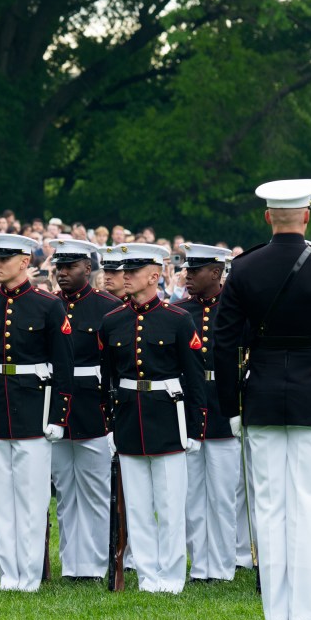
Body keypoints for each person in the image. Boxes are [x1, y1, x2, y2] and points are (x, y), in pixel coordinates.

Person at [213, 179, 311, 620]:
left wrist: (232, 407)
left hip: (260, 398)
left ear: (267, 217)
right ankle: (302, 614)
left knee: (269, 507)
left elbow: (223, 344)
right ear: (307, 214)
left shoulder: (244, 268)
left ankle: (274, 615)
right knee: (307, 507)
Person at [0, 233, 73, 592]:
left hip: (33, 411)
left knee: (32, 497)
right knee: (0, 500)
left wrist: (58, 415)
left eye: (6, 257)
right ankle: (9, 575)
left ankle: (30, 573)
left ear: (25, 261)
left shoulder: (48, 305)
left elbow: (63, 365)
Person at [100, 243, 205, 594]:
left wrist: (194, 426)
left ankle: (172, 578)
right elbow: (108, 379)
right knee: (139, 505)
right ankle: (147, 576)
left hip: (167, 415)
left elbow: (193, 378)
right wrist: (110, 423)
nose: (125, 277)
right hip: (130, 417)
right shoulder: (113, 321)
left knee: (171, 505)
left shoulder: (177, 319)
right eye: (123, 271)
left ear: (154, 276)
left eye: (133, 271)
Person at [48, 239, 122, 581]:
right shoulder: (49, 306)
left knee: (94, 490)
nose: (62, 273)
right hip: (59, 406)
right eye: (58, 267)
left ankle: (94, 564)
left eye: (70, 267)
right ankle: (72, 563)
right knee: (65, 492)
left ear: (87, 269)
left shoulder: (108, 307)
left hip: (94, 405)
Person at [177, 243, 238, 583]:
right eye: (186, 270)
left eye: (195, 270)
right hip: (189, 405)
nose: (187, 276)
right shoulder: (180, 311)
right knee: (192, 495)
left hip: (223, 405)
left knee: (222, 496)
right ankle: (200, 565)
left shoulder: (233, 310)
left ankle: (223, 565)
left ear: (215, 273)